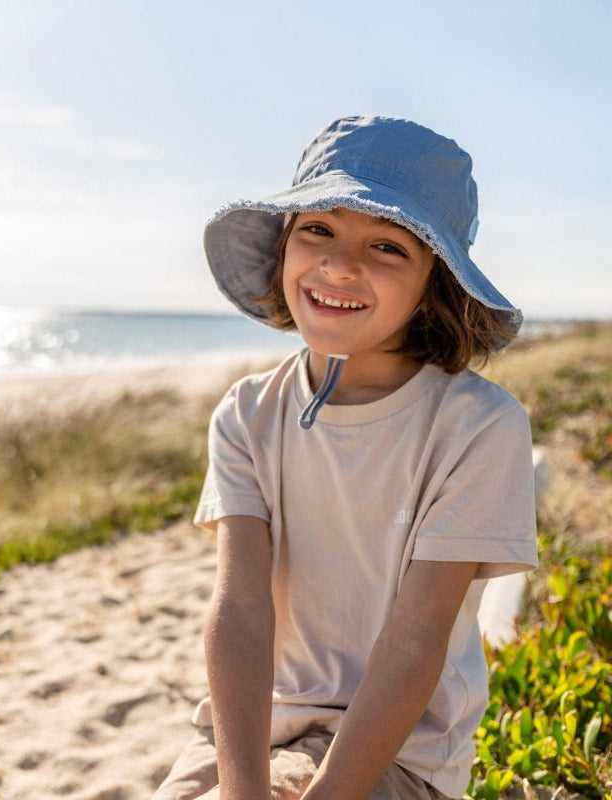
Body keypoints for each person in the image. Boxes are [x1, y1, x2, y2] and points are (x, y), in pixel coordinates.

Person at [153, 116, 539, 800]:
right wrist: (244, 789)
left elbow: (414, 641)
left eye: (387, 245)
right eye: (317, 230)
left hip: (393, 750)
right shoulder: (246, 412)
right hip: (247, 730)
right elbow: (241, 608)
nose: (340, 265)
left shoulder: (479, 426)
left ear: (436, 281)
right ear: (283, 246)